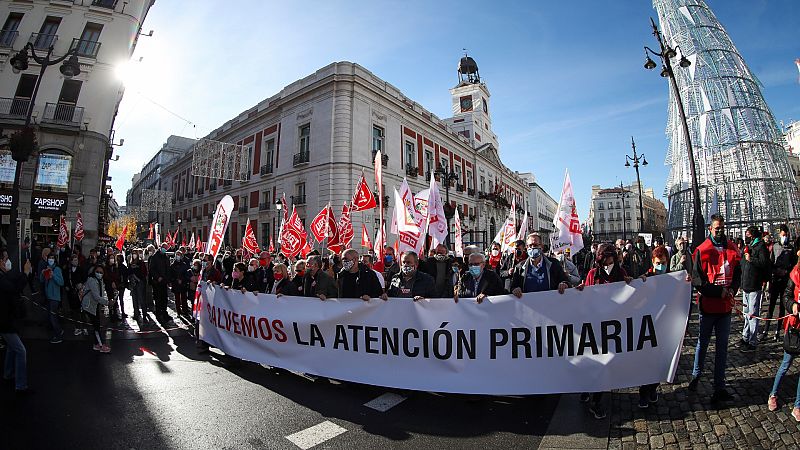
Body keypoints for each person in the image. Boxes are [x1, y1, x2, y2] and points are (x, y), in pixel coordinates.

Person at [576, 244, 644, 418]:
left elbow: (632, 294)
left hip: (613, 326)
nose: (605, 262)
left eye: (607, 258)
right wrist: (580, 291)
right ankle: (587, 389)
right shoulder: (593, 273)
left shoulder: (621, 273)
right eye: (602, 258)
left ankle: (596, 400)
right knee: (593, 362)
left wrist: (635, 283)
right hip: (595, 326)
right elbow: (586, 297)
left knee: (605, 364)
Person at [689, 214, 741, 402]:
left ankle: (719, 387)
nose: (719, 231)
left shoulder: (732, 248)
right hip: (708, 307)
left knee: (722, 349)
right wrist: (716, 292)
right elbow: (697, 280)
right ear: (710, 228)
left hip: (725, 309)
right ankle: (696, 375)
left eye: (721, 228)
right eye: (716, 228)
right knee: (702, 344)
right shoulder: (702, 250)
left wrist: (733, 289)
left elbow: (737, 273)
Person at [767, 247, 800, 422]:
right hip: (795, 327)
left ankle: (798, 405)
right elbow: (786, 296)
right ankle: (773, 394)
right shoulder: (794, 274)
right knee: (786, 364)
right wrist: (792, 305)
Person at [1, 251, 33, 395]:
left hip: (8, 319)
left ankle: (8, 373)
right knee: (20, 351)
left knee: (11, 347)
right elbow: (13, 289)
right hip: (4, 321)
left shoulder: (3, 276)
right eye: (5, 259)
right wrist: (25, 274)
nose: (7, 261)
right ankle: (21, 385)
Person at [739, 225, 770, 352]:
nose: (746, 237)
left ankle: (752, 341)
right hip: (746, 284)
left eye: (747, 234)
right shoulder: (750, 247)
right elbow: (743, 265)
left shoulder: (761, 247)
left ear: (752, 235)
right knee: (746, 314)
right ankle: (745, 337)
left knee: (752, 314)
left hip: (754, 284)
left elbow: (764, 263)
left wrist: (750, 259)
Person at [764, 224, 796, 341]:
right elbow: (771, 262)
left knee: (782, 306)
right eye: (783, 235)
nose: (785, 237)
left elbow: (794, 265)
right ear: (780, 234)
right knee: (771, 306)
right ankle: (766, 330)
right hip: (776, 279)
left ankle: (777, 331)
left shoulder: (791, 248)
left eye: (786, 235)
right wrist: (775, 271)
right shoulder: (775, 246)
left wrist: (786, 271)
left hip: (785, 280)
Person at [82, 264, 110, 353]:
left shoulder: (100, 281)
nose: (99, 273)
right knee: (96, 325)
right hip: (89, 305)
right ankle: (100, 345)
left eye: (101, 272)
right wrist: (107, 303)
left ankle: (97, 344)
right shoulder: (92, 280)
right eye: (97, 272)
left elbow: (101, 294)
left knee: (96, 325)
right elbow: (96, 296)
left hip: (94, 305)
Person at [40, 253, 64, 343]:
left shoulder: (57, 269)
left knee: (53, 317)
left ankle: (58, 335)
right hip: (48, 296)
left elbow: (61, 282)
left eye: (52, 258)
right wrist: (42, 274)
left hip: (55, 297)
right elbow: (42, 280)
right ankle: (58, 331)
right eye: (49, 257)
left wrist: (53, 275)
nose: (50, 259)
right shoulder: (46, 268)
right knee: (51, 316)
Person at [64, 254, 87, 334]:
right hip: (71, 293)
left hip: (80, 293)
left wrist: (81, 285)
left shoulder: (81, 269)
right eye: (74, 260)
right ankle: (77, 327)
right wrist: (67, 286)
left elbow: (85, 279)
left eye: (76, 260)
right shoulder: (68, 270)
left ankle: (84, 327)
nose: (75, 261)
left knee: (82, 310)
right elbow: (65, 280)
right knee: (74, 311)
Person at [149, 243, 170, 323]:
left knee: (164, 298)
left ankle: (164, 313)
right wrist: (158, 277)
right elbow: (152, 269)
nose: (165, 250)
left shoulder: (166, 257)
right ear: (160, 248)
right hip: (157, 282)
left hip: (164, 282)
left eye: (166, 248)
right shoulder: (154, 257)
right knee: (158, 299)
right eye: (164, 248)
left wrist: (168, 280)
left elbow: (168, 269)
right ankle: (158, 314)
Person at [128, 250, 148, 322]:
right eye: (133, 254)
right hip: (133, 283)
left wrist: (138, 277)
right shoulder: (130, 263)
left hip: (140, 283)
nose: (134, 255)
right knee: (134, 299)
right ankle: (136, 314)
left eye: (135, 254)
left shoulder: (141, 263)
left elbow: (144, 273)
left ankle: (144, 315)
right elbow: (129, 273)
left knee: (142, 299)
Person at [169, 250, 191, 316]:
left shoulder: (184, 265)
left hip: (183, 284)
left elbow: (186, 275)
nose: (178, 256)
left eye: (179, 255)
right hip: (176, 284)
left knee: (184, 298)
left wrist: (182, 280)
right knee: (177, 299)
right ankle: (178, 312)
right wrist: (175, 280)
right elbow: (170, 275)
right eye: (177, 254)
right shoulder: (172, 265)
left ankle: (185, 310)